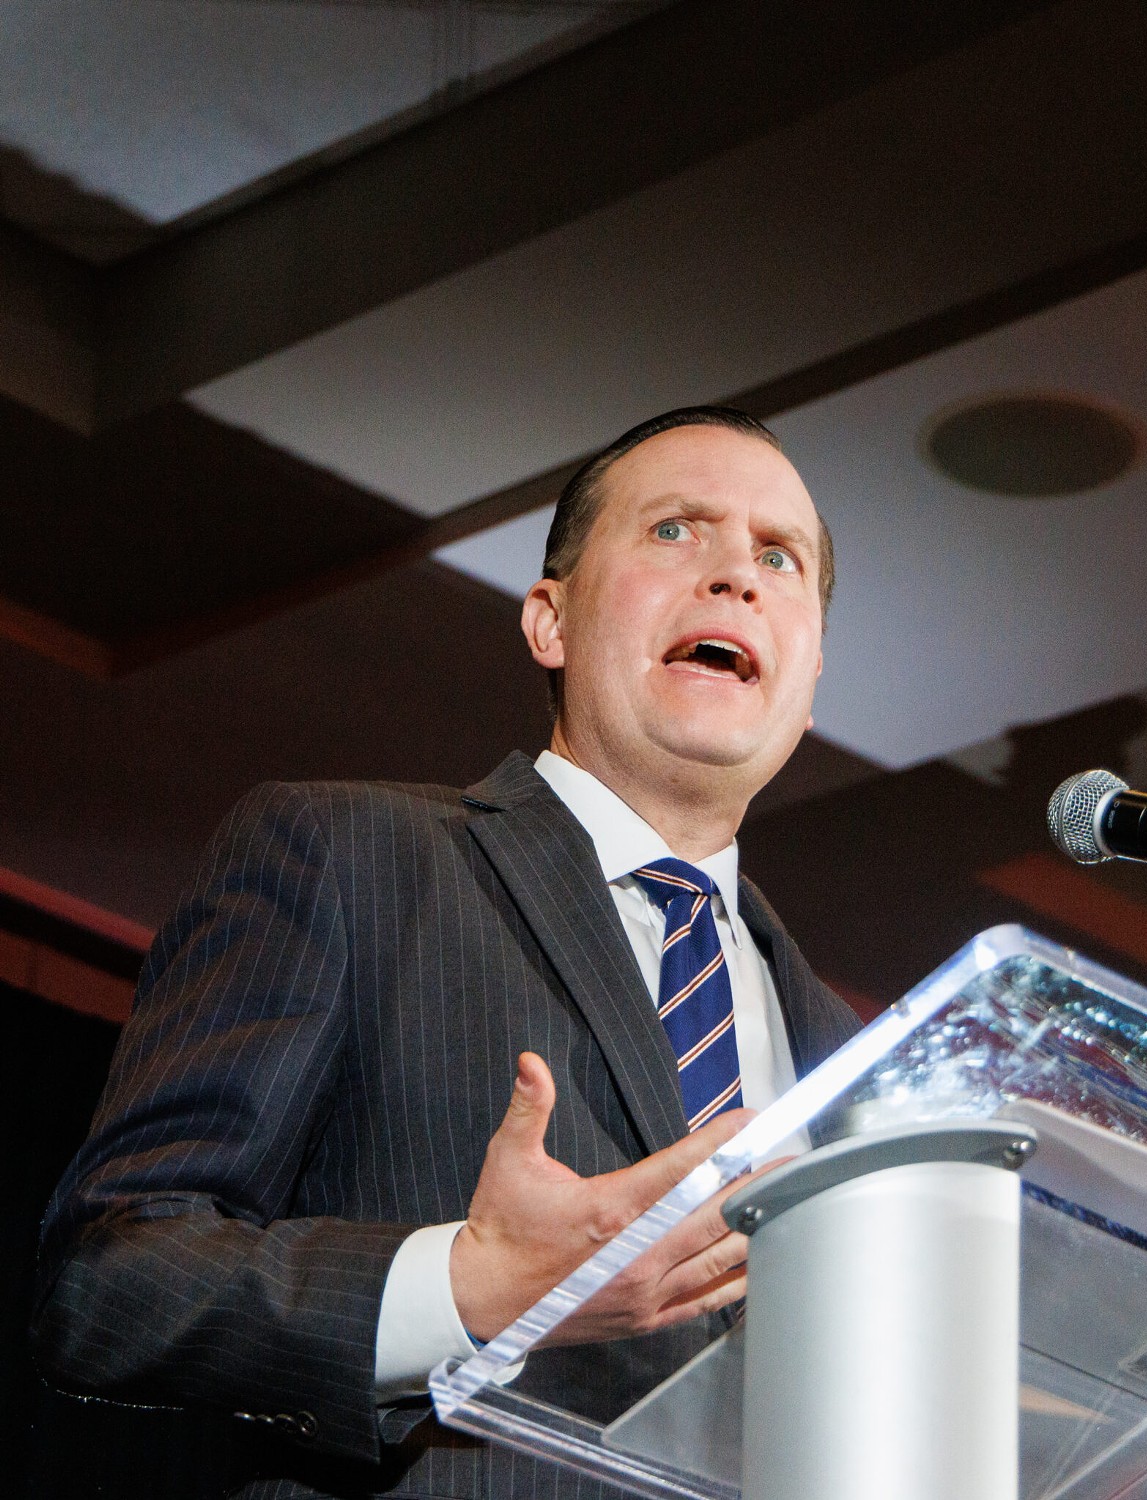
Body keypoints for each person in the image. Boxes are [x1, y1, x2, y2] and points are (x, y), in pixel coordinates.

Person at [32, 407, 861, 1499]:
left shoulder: (859, 1062)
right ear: (549, 621)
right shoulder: (343, 855)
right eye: (675, 532)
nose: (735, 579)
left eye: (778, 558)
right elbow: (108, 1284)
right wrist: (469, 1290)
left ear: (810, 679)